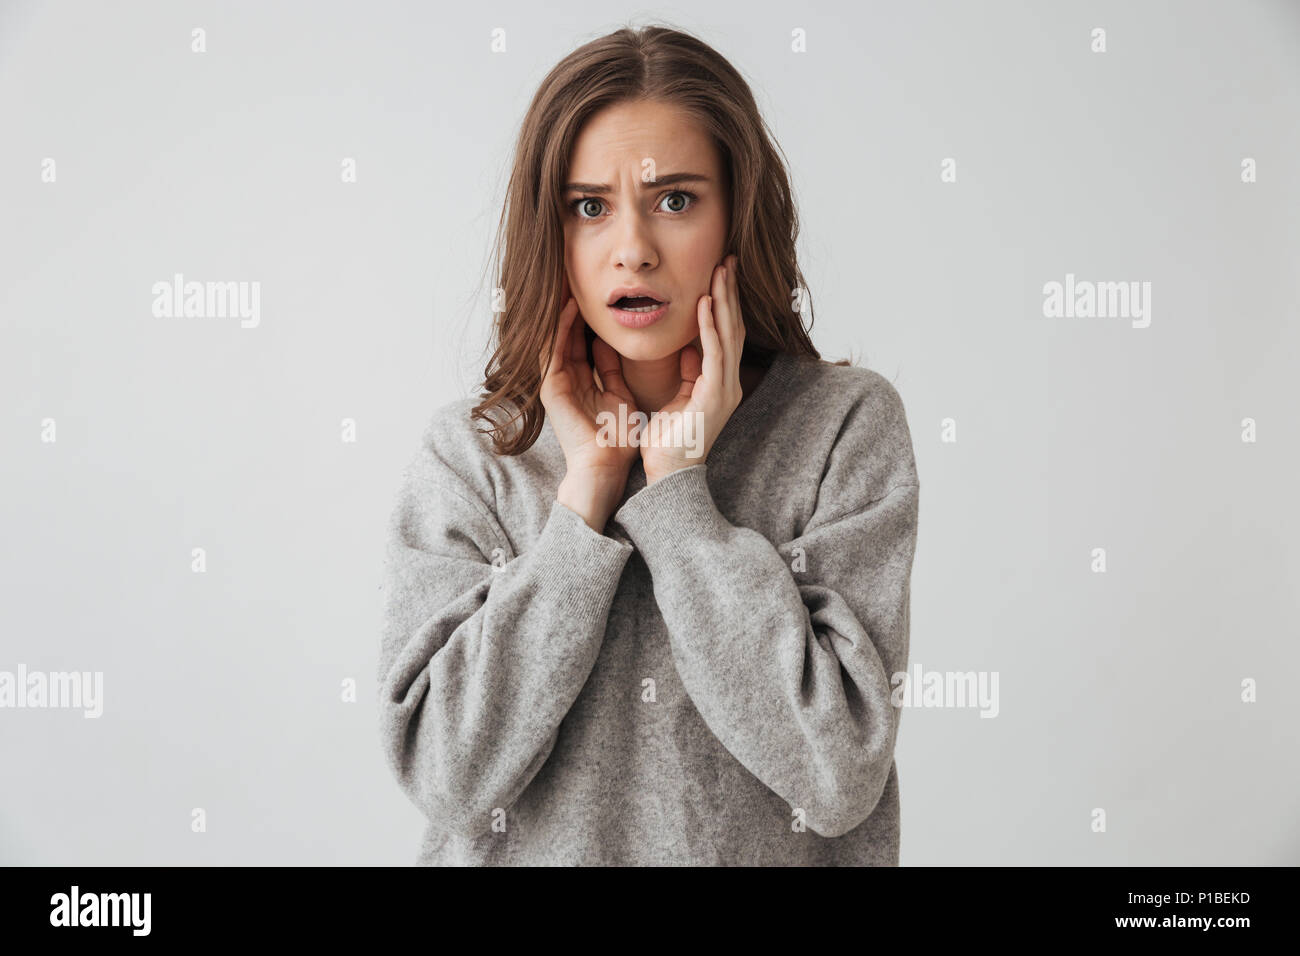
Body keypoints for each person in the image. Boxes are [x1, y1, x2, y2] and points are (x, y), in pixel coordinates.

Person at [377, 23, 920, 865]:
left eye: (675, 199)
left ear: (738, 214)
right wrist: (583, 506)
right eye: (589, 207)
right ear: (550, 232)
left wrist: (678, 503)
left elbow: (838, 774)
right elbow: (448, 778)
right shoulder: (474, 454)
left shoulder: (841, 427)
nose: (632, 248)